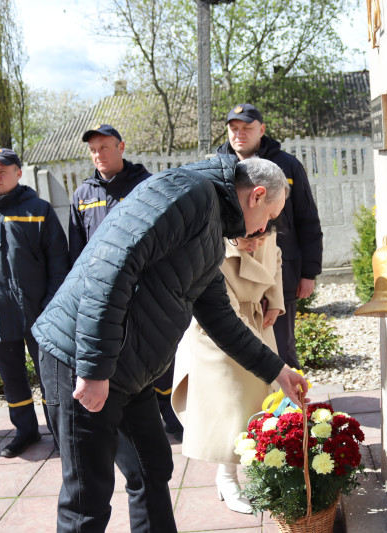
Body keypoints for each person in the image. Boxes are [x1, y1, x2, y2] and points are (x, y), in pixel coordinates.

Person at [32, 155, 308, 532]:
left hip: (130, 370)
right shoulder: (187, 192)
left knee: (151, 468)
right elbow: (111, 266)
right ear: (257, 196)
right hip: (80, 357)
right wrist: (94, 369)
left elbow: (220, 318)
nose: (264, 230)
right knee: (87, 499)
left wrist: (277, 371)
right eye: (269, 218)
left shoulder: (211, 229)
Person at [69, 124, 182, 439]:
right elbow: (77, 251)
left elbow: (167, 237)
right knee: (114, 356)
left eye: (104, 147)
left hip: (145, 289)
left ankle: (171, 414)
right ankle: (129, 420)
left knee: (158, 354)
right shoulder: (82, 195)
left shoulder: (148, 186)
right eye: (93, 150)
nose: (98, 154)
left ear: (121, 147)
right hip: (104, 295)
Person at [0, 148, 69, 458]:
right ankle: (26, 431)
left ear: (19, 173)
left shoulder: (38, 210)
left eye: (3, 170)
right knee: (12, 379)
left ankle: (61, 434)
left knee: (50, 378)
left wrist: (51, 307)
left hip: (39, 313)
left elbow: (59, 264)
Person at [172, 221, 283, 514]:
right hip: (219, 332)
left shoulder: (264, 232)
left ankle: (265, 472)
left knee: (263, 402)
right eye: (249, 239)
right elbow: (224, 317)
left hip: (257, 320)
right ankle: (227, 478)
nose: (257, 244)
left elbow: (276, 258)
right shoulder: (212, 248)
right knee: (231, 409)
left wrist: (275, 301)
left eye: (262, 238)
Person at [217, 104, 323, 369]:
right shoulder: (218, 168)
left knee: (282, 349)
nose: (239, 134)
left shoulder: (287, 166)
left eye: (247, 128)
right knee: (239, 355)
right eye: (234, 128)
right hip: (232, 279)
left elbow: (307, 219)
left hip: (280, 273)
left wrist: (309, 272)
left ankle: (292, 411)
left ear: (262, 130)